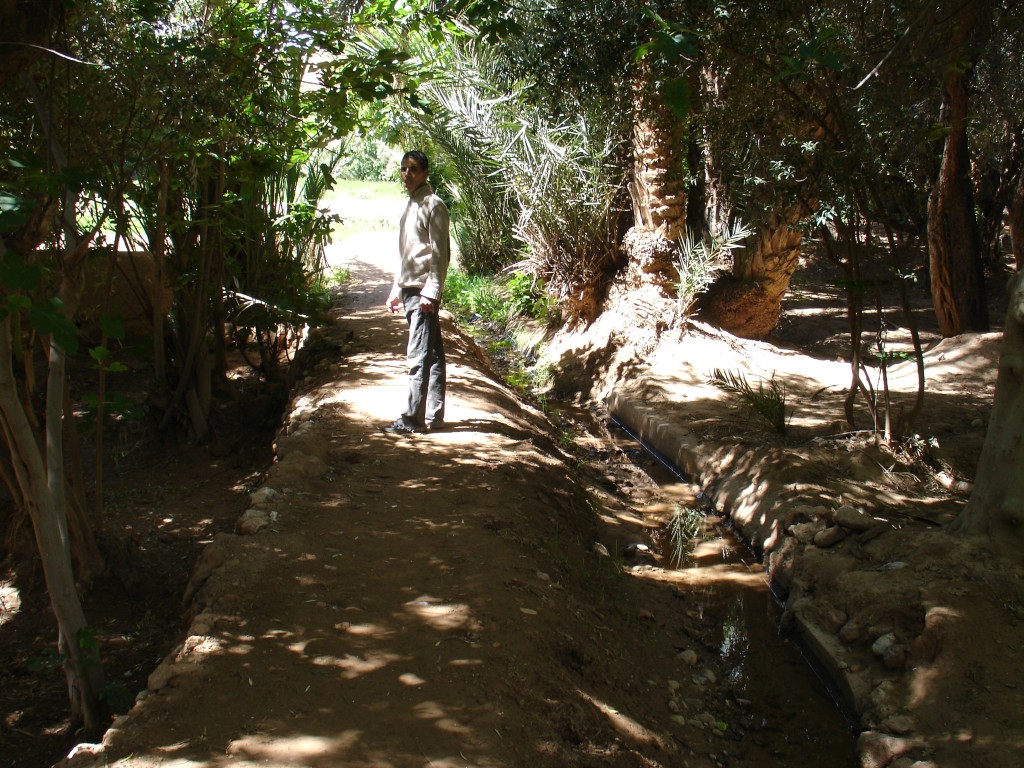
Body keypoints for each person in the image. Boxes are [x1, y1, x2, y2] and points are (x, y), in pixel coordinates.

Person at [383, 150, 451, 434]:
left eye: (413, 169)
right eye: (403, 169)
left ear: (425, 173)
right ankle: (434, 416)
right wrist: (395, 289)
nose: (407, 175)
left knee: (418, 355)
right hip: (410, 290)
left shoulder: (434, 206)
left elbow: (440, 254)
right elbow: (407, 255)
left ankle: (412, 419)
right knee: (432, 354)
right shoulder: (410, 206)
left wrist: (431, 292)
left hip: (423, 294)